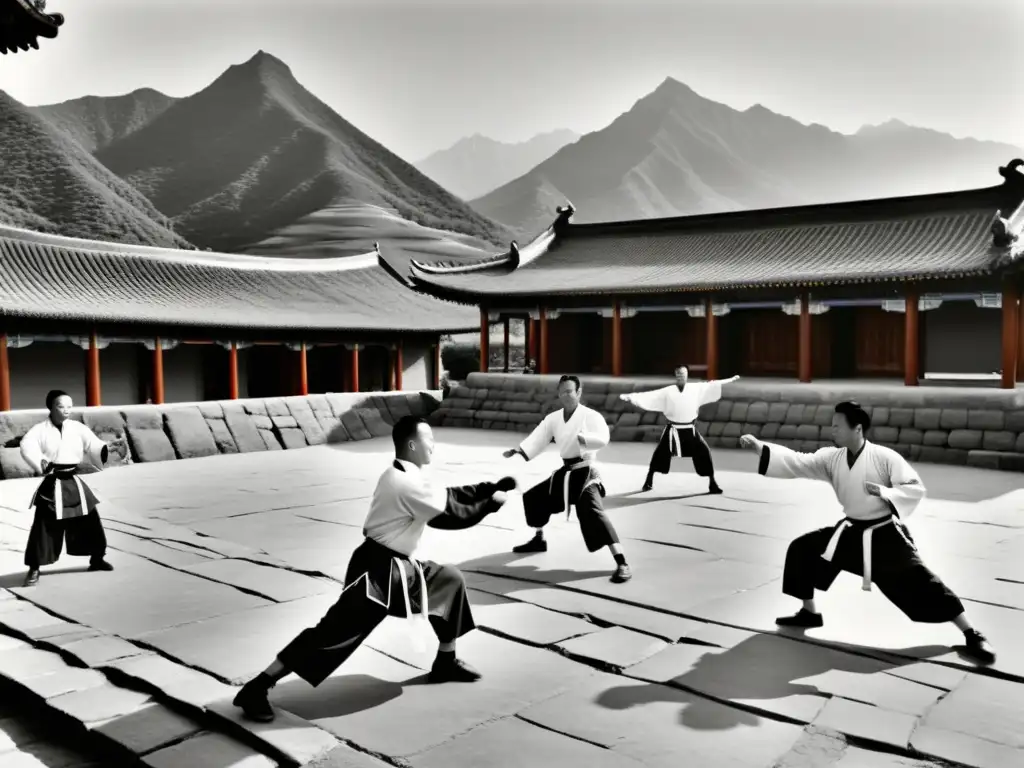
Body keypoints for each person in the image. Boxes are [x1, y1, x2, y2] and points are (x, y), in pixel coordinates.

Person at [233, 415, 517, 723]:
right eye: (429, 439)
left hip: (401, 569)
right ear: (412, 444)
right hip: (376, 574)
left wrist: (487, 487)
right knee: (332, 634)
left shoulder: (406, 474)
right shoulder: (404, 482)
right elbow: (450, 515)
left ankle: (445, 661)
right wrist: (492, 503)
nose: (434, 444)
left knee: (449, 579)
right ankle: (257, 687)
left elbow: (449, 495)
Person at [738, 400, 996, 665]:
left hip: (884, 535)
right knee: (803, 548)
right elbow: (798, 462)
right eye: (832, 426)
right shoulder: (831, 458)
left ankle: (971, 633)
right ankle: (809, 613)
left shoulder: (885, 458)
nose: (833, 430)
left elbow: (913, 488)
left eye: (838, 426)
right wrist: (761, 447)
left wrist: (885, 492)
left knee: (921, 580)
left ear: (857, 429)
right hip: (850, 532)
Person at [503, 375, 631, 583]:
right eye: (562, 392)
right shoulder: (554, 418)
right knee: (534, 497)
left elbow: (603, 437)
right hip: (566, 472)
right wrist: (520, 450)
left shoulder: (591, 416)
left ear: (579, 392)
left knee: (593, 512)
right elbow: (540, 435)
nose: (565, 395)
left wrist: (583, 439)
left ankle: (622, 561)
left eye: (569, 391)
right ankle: (538, 539)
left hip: (586, 472)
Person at [18, 390, 114, 587]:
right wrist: (40, 462)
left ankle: (96, 558)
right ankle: (34, 567)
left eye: (70, 406)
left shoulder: (77, 427)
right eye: (61, 406)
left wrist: (104, 448)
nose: (67, 410)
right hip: (53, 480)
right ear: (51, 407)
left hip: (73, 479)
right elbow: (27, 445)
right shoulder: (39, 430)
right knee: (43, 526)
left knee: (90, 520)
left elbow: (93, 444)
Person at [621, 366, 739, 495]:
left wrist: (730, 379)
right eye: (679, 374)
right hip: (673, 430)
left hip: (690, 429)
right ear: (676, 375)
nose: (681, 376)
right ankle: (649, 480)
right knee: (660, 454)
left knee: (704, 451)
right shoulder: (668, 391)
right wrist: (631, 396)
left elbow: (711, 385)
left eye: (684, 374)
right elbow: (650, 395)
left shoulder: (695, 388)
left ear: (687, 375)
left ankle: (712, 483)